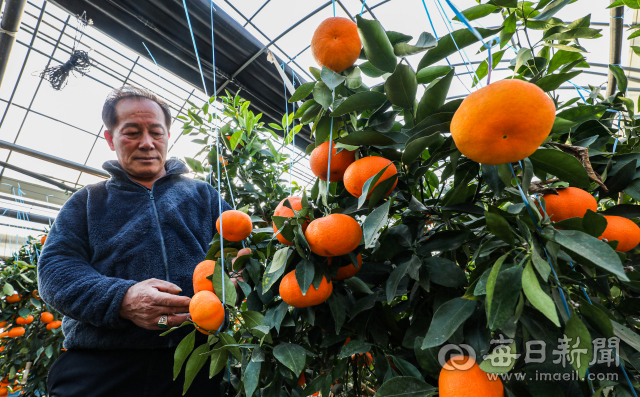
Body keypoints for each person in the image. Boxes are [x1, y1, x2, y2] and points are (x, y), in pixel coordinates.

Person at [38, 86, 234, 397]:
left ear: (168, 135)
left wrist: (238, 269)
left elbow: (236, 250)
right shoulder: (88, 201)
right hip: (103, 365)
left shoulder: (203, 196)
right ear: (110, 138)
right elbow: (56, 270)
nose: (146, 143)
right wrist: (121, 298)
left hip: (195, 361)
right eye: (131, 132)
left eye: (156, 132)